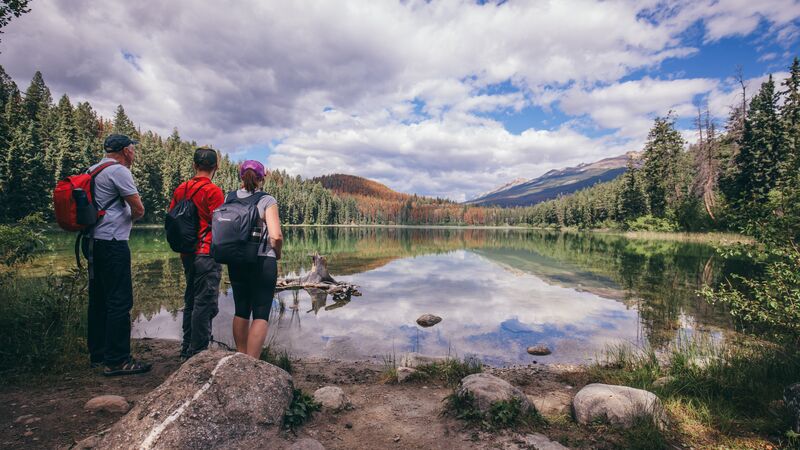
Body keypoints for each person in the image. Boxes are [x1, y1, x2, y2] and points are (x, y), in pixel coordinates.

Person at [86, 133, 151, 376]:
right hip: (113, 242)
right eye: (133, 148)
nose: (134, 152)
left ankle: (98, 354)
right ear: (125, 150)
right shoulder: (119, 171)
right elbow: (138, 208)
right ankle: (118, 360)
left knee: (99, 299)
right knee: (119, 301)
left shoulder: (93, 169)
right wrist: (130, 219)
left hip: (93, 242)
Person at [168, 148, 225, 359]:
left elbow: (173, 219)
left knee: (191, 300)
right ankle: (198, 353)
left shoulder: (181, 189)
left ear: (194, 165)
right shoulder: (213, 191)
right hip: (206, 253)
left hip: (187, 253)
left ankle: (186, 348)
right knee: (205, 303)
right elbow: (219, 226)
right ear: (215, 167)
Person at [226, 160, 283, 358]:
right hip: (262, 261)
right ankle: (252, 362)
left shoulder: (229, 197)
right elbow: (275, 236)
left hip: (236, 260)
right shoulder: (267, 200)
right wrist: (278, 254)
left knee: (241, 309)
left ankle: (240, 357)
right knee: (261, 312)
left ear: (241, 176)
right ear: (262, 178)